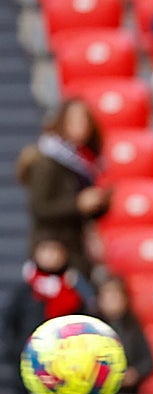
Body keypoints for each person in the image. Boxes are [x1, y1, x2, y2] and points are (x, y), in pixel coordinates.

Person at [15, 99, 110, 280]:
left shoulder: (85, 162)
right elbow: (39, 207)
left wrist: (100, 204)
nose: (81, 126)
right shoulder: (47, 161)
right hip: (53, 250)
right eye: (74, 120)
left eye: (85, 120)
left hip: (76, 246)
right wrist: (78, 204)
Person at [3, 240, 96, 391]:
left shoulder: (74, 288)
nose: (51, 256)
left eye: (56, 251)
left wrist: (80, 287)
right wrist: (15, 351)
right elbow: (10, 322)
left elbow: (90, 318)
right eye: (46, 251)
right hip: (29, 364)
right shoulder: (25, 290)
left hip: (67, 365)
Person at [95, 276, 153, 394]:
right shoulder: (91, 327)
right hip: (97, 392)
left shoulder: (133, 326)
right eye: (108, 296)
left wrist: (135, 373)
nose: (113, 301)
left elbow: (148, 361)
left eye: (116, 296)